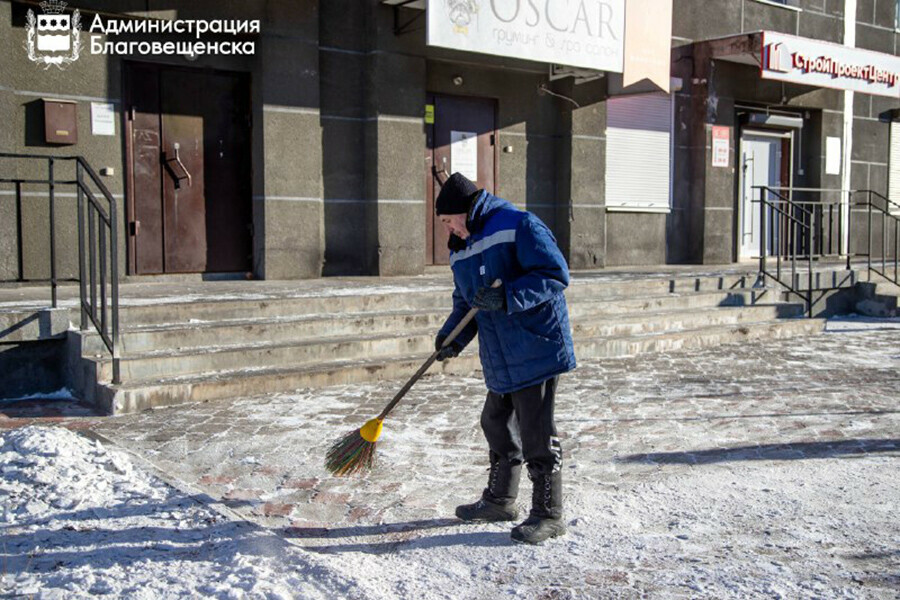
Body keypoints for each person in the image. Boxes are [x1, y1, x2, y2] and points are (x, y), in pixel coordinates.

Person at [434, 172, 576, 545]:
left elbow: (554, 275)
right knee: (495, 422)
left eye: (449, 220)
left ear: (465, 211)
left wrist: (508, 296)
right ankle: (500, 500)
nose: (447, 228)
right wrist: (452, 338)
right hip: (500, 355)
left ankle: (548, 514)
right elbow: (466, 303)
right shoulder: (460, 247)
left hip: (535, 347)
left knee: (536, 431)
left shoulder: (519, 225)